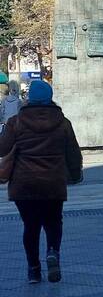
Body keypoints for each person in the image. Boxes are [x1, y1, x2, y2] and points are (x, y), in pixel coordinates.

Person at [0, 78, 82, 284]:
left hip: (24, 184)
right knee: (53, 221)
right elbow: (73, 153)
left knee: (31, 226)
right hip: (53, 182)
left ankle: (33, 270)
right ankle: (53, 252)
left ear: (29, 98)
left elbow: (2, 149)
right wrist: (75, 175)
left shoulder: (16, 122)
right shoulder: (63, 122)